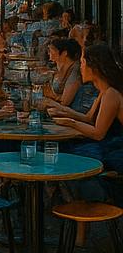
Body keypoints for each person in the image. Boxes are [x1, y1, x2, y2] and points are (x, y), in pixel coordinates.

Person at [49, 43, 123, 186]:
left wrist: (71, 123)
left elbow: (98, 133)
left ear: (94, 67)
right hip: (109, 144)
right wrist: (63, 112)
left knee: (69, 157)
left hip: (115, 150)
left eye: (82, 63)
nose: (80, 67)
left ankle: (88, 200)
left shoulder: (111, 94)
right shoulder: (104, 90)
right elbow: (88, 118)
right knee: (63, 151)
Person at [40, 36, 86, 112]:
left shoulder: (75, 70)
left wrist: (52, 96)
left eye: (52, 50)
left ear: (64, 53)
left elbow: (65, 101)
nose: (49, 53)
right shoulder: (59, 68)